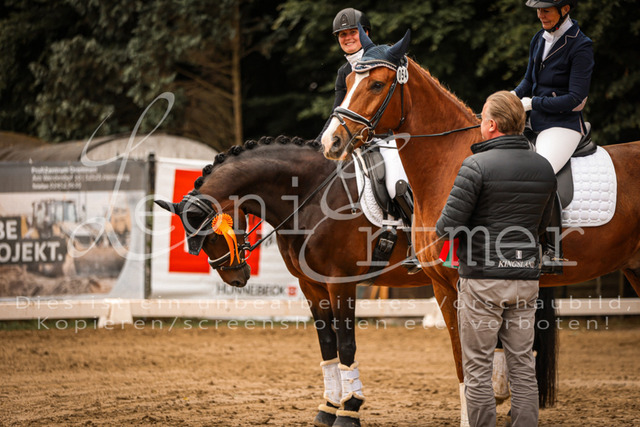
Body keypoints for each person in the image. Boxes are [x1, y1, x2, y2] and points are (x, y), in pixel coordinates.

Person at [436, 91, 557, 427]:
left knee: (477, 369)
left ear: (491, 124)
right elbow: (542, 226)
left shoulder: (475, 165)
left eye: (482, 116)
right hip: (525, 279)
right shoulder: (544, 166)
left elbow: (447, 227)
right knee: (523, 366)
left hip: (482, 280)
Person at [319, 8, 420, 272]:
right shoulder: (345, 71)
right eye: (342, 35)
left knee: (395, 183)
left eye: (352, 32)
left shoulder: (384, 59)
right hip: (358, 142)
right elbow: (337, 111)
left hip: (388, 138)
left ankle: (417, 241)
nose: (347, 38)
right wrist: (321, 142)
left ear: (365, 33)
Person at [513, 0, 594, 273]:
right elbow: (528, 81)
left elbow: (575, 98)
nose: (541, 15)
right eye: (538, 10)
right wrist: (508, 98)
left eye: (546, 10)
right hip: (533, 121)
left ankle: (552, 249)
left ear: (565, 8)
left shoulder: (581, 45)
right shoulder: (539, 38)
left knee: (541, 173)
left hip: (563, 125)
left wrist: (533, 103)